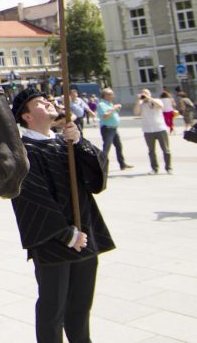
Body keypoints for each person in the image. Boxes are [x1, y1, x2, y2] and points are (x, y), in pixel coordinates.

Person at [10, 88, 114, 343]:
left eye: (47, 99)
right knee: (52, 310)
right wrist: (65, 234)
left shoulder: (65, 142)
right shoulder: (23, 151)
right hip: (53, 242)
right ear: (27, 117)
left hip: (86, 235)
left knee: (80, 307)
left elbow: (96, 180)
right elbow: (32, 198)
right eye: (38, 102)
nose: (47, 101)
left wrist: (79, 143)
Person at [134, 88, 172, 174]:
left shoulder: (156, 100)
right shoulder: (141, 103)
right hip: (147, 130)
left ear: (150, 94)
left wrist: (149, 98)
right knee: (151, 151)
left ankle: (169, 168)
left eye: (146, 93)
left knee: (166, 149)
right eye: (142, 93)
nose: (144, 95)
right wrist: (138, 101)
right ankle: (154, 168)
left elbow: (160, 106)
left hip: (160, 128)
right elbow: (136, 113)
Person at [95, 88, 131, 170]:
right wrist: (114, 108)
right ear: (105, 95)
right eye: (111, 94)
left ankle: (122, 164)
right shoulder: (102, 104)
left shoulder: (109, 104)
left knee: (119, 146)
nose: (113, 96)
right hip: (107, 129)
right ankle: (102, 166)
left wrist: (114, 109)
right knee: (106, 147)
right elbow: (105, 116)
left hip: (113, 129)